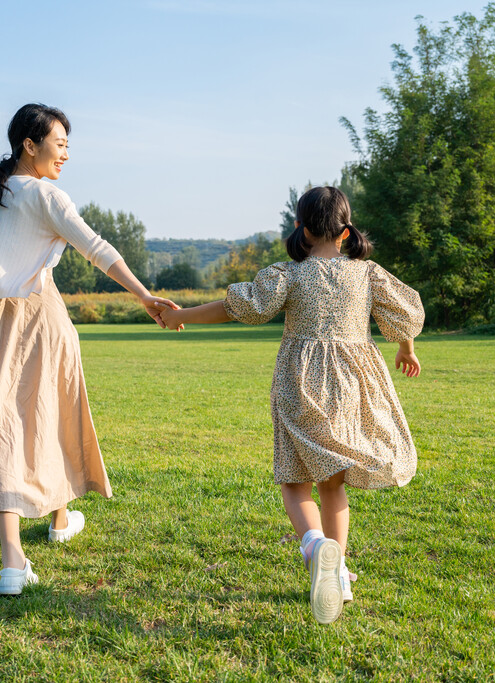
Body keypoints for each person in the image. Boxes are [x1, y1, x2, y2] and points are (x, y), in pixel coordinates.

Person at [0, 103, 177, 596]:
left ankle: (42, 533)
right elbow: (98, 249)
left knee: (4, 427)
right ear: (31, 144)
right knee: (38, 421)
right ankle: (19, 552)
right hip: (33, 318)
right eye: (60, 143)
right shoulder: (46, 195)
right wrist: (146, 297)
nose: (66, 154)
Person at [157, 186, 424, 624]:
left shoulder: (288, 274)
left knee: (295, 479)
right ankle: (336, 573)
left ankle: (317, 547)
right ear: (346, 230)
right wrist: (406, 348)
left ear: (300, 228)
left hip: (299, 382)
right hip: (352, 385)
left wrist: (182, 314)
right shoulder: (367, 273)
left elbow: (238, 307)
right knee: (333, 483)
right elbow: (403, 313)